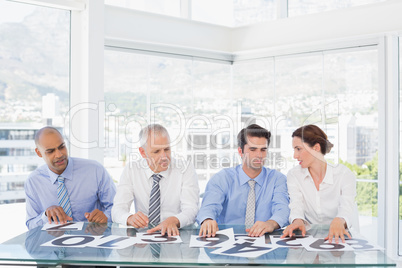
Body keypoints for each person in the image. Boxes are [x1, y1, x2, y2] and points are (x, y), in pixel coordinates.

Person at [197, 124, 290, 238]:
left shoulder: (277, 179)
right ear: (240, 152)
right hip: (227, 245)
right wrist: (207, 219)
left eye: (263, 150)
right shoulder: (222, 178)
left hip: (265, 243)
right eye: (253, 149)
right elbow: (209, 207)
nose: (259, 155)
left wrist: (271, 223)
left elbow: (283, 209)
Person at [112, 124, 199, 237]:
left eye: (167, 149)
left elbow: (191, 209)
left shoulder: (185, 169)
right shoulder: (131, 169)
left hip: (177, 235)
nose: (164, 156)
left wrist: (174, 220)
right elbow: (117, 210)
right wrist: (129, 218)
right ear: (143, 152)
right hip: (144, 238)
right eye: (156, 151)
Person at [25, 126, 116, 229]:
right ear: (39, 153)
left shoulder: (95, 170)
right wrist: (46, 216)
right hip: (54, 242)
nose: (59, 155)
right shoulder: (33, 181)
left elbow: (116, 207)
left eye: (61, 147)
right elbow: (31, 224)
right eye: (50, 151)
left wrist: (105, 217)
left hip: (93, 239)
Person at [280, 124, 357, 244]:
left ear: (316, 148)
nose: (295, 155)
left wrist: (340, 220)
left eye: (298, 149)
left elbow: (347, 207)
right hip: (308, 239)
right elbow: (296, 205)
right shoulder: (294, 175)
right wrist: (297, 220)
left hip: (339, 238)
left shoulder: (344, 175)